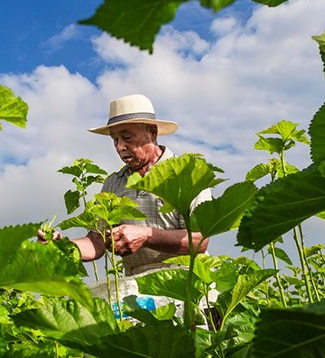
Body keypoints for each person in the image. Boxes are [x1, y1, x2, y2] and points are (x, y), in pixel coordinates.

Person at [39, 94, 211, 276]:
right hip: (136, 286)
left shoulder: (188, 174)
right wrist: (64, 247)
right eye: (115, 140)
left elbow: (200, 240)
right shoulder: (114, 183)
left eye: (127, 137)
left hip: (187, 279)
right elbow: (96, 241)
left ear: (152, 133)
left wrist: (146, 235)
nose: (120, 147)